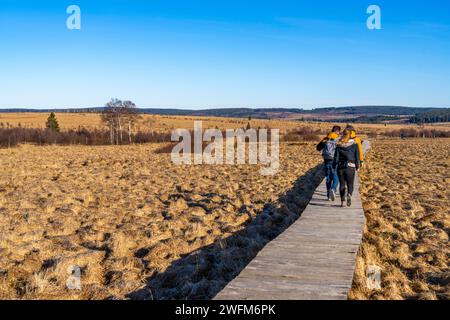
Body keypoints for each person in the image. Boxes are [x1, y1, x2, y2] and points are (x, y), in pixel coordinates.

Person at [334, 129, 361, 207]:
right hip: (351, 167)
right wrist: (357, 166)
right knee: (350, 184)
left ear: (342, 134)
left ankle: (342, 201)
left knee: (342, 184)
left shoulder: (339, 145)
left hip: (340, 167)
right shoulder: (355, 145)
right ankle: (349, 194)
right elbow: (357, 156)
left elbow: (336, 157)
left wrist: (334, 166)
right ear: (350, 135)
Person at [317, 125, 341, 201]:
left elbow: (318, 148)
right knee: (335, 177)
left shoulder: (326, 138)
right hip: (335, 160)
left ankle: (328, 195)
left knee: (328, 177)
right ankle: (333, 189)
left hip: (327, 160)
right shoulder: (338, 139)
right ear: (338, 131)